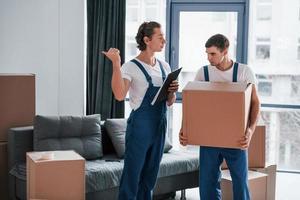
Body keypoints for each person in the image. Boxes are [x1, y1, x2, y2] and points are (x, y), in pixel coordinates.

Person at [102, 21, 179, 200]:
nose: (164, 41)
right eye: (160, 37)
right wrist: (116, 64)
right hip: (140, 128)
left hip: (159, 127)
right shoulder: (130, 67)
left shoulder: (164, 66)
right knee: (132, 175)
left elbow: (169, 102)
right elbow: (120, 95)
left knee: (150, 177)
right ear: (146, 39)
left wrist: (172, 92)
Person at [179, 34, 260, 200]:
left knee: (240, 181)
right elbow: (192, 103)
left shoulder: (244, 72)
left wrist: (250, 131)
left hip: (236, 139)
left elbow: (255, 104)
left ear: (225, 51)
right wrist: (184, 129)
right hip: (209, 139)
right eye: (207, 53)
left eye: (213, 54)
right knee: (207, 182)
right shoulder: (204, 72)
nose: (209, 58)